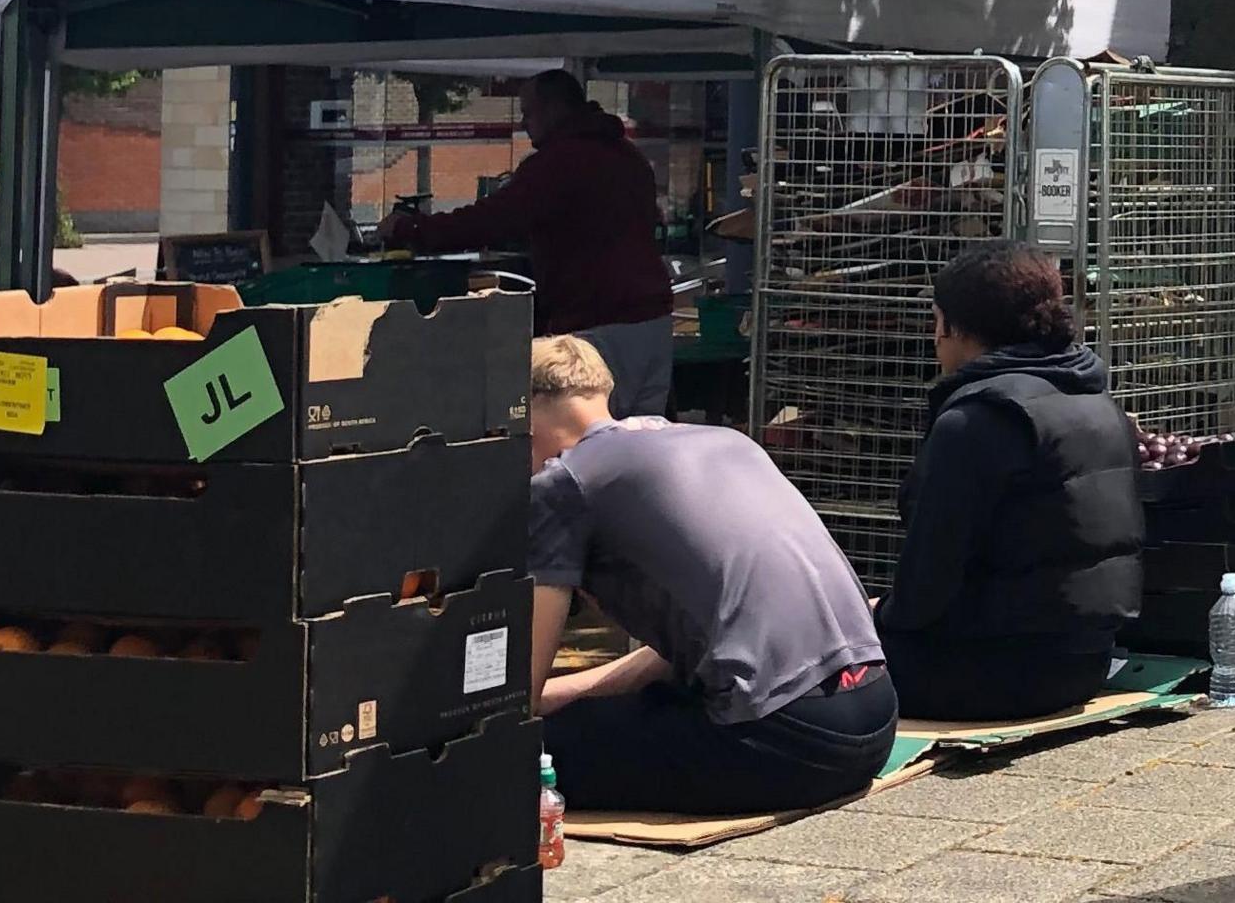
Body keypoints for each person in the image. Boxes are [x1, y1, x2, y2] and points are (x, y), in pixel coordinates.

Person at [523, 335, 898, 816]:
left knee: (513, 756)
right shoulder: (728, 443)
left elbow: (521, 695)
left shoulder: (563, 483)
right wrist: (567, 692)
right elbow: (708, 643)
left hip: (784, 744)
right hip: (872, 718)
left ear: (524, 413)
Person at [877, 243, 1143, 722]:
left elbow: (924, 590)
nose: (935, 339)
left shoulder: (976, 421)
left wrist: (873, 618)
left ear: (954, 327)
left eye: (937, 321)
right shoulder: (1097, 401)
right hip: (1086, 662)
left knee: (808, 663)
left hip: (986, 672)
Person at [381, 72, 677, 415]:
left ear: (553, 110)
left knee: (588, 440)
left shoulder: (561, 161)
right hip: (652, 321)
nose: (524, 125)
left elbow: (494, 218)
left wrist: (412, 229)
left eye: (528, 113)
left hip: (599, 321)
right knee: (642, 441)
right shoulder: (629, 157)